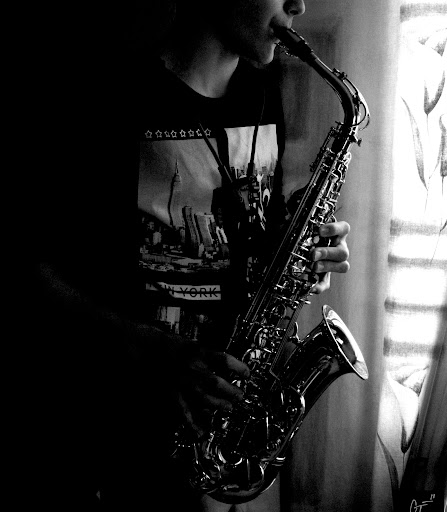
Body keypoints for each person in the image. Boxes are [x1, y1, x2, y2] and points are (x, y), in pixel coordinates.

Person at [27, 0, 351, 510]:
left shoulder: (262, 92)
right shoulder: (107, 95)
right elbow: (30, 271)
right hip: (116, 431)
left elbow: (254, 237)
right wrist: (150, 350)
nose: (299, 5)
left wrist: (302, 254)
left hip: (217, 427)